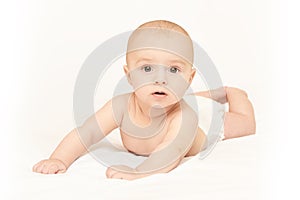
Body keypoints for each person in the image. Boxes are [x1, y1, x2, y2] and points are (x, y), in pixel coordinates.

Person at [32, 20, 255, 180]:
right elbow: (86, 132)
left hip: (205, 124)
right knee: (174, 96)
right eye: (147, 68)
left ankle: (231, 92)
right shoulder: (120, 106)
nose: (160, 79)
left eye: (174, 69)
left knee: (245, 124)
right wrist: (59, 159)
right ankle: (205, 94)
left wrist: (140, 172)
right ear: (129, 75)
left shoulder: (185, 116)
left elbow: (172, 150)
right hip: (181, 99)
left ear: (190, 77)